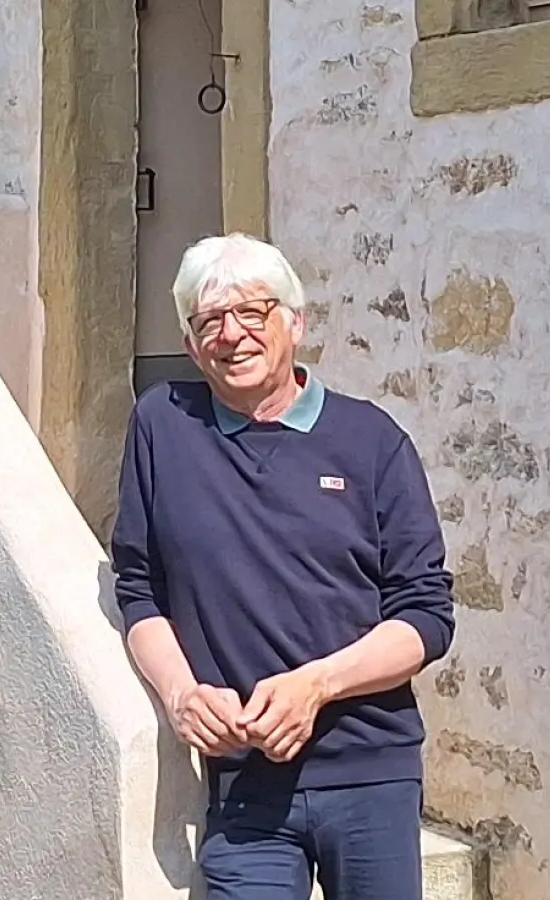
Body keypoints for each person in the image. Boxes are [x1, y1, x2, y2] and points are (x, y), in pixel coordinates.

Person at [110, 233, 456, 900]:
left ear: (295, 323)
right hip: (245, 787)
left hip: (368, 773)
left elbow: (425, 617)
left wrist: (317, 686)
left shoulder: (372, 442)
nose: (230, 335)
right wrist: (182, 695)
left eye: (252, 312)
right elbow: (139, 589)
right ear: (189, 344)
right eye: (209, 320)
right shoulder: (163, 425)